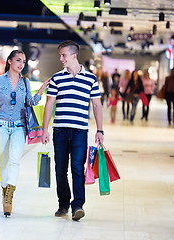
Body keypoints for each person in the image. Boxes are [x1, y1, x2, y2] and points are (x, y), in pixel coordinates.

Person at [0, 49, 49, 217]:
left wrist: (40, 92)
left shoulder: (24, 83)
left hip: (20, 126)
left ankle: (9, 196)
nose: (21, 64)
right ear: (10, 61)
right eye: (18, 60)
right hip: (1, 126)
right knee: (3, 162)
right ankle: (5, 193)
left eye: (23, 62)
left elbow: (29, 103)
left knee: (15, 161)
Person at [41, 40, 104, 221]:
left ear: (74, 55)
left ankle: (78, 206)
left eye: (64, 55)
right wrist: (45, 129)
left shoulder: (91, 79)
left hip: (79, 132)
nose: (61, 59)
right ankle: (63, 204)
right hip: (60, 130)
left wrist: (100, 130)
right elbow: (49, 103)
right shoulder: (57, 78)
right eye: (60, 55)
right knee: (60, 169)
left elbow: (97, 105)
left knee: (77, 168)